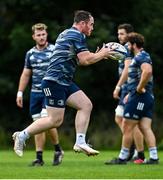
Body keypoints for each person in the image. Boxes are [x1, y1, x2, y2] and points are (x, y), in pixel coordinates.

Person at [13, 10, 114, 157]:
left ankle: (80, 141)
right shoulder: (77, 35)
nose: (92, 28)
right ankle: (22, 135)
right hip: (54, 82)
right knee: (55, 120)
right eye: (91, 24)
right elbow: (85, 60)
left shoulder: (67, 33)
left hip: (64, 81)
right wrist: (102, 54)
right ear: (82, 23)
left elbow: (81, 58)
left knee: (85, 105)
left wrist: (97, 55)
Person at [106, 32, 159, 164]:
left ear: (134, 45)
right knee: (145, 127)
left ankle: (123, 157)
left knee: (127, 125)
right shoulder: (140, 56)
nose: (127, 46)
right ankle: (154, 157)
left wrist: (139, 88)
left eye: (128, 44)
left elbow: (147, 71)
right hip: (142, 96)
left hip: (140, 96)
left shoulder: (141, 56)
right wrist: (132, 91)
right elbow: (139, 76)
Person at [16, 23, 64, 166]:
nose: (41, 37)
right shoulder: (30, 53)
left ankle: (57, 149)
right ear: (34, 37)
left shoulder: (54, 50)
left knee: (46, 119)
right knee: (37, 123)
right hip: (35, 93)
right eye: (38, 35)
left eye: (43, 34)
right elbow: (26, 74)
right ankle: (40, 157)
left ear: (46, 35)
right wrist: (19, 92)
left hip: (50, 91)